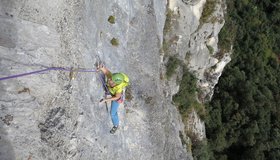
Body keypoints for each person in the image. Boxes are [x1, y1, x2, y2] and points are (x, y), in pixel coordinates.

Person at [98, 64, 129, 134]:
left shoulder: (119, 89)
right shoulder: (113, 78)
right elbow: (107, 72)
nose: (109, 79)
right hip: (112, 91)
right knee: (108, 85)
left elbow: (117, 97)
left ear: (115, 83)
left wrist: (106, 100)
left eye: (111, 80)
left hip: (117, 98)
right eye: (110, 78)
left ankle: (116, 125)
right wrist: (101, 68)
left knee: (112, 113)